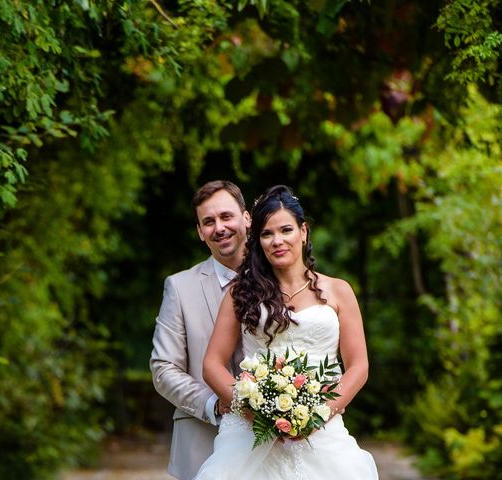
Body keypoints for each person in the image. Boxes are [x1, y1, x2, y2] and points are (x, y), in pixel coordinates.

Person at [195, 185, 379, 479]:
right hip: (252, 431)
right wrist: (256, 412)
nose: (277, 241)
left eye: (285, 230)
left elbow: (358, 366)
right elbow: (212, 364)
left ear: (303, 231)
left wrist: (318, 415)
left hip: (322, 430)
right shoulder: (240, 294)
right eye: (267, 234)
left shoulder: (339, 291)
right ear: (259, 242)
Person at [150, 180, 251, 480]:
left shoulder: (283, 281)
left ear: (247, 218)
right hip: (204, 445)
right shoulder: (180, 287)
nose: (219, 227)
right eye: (208, 222)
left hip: (276, 444)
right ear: (199, 232)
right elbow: (163, 368)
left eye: (226, 216)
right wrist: (214, 405)